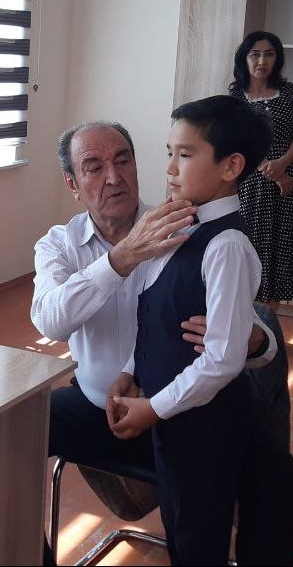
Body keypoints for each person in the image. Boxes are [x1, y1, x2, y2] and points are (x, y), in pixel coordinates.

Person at [33, 119, 289, 565]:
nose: (113, 177)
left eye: (123, 161)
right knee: (14, 432)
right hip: (102, 408)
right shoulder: (59, 244)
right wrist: (120, 259)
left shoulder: (183, 228)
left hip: (185, 412)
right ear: (72, 184)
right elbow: (50, 322)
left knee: (271, 478)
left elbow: (250, 331)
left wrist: (252, 340)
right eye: (94, 167)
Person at [107, 95, 269, 564]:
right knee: (179, 524)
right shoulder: (181, 226)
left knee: (199, 537)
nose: (170, 169)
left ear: (230, 166)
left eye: (185, 154)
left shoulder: (227, 245)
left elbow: (223, 359)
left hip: (206, 426)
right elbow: (157, 316)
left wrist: (153, 408)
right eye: (169, 153)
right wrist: (131, 369)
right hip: (173, 415)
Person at [228, 31, 293, 305]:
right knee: (247, 251)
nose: (262, 61)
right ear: (245, 59)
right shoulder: (235, 97)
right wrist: (268, 168)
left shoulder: (289, 93)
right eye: (255, 55)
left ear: (277, 59)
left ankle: (270, 325)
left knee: (279, 257)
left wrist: (283, 165)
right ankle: (243, 320)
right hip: (248, 186)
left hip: (286, 187)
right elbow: (232, 140)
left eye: (269, 54)